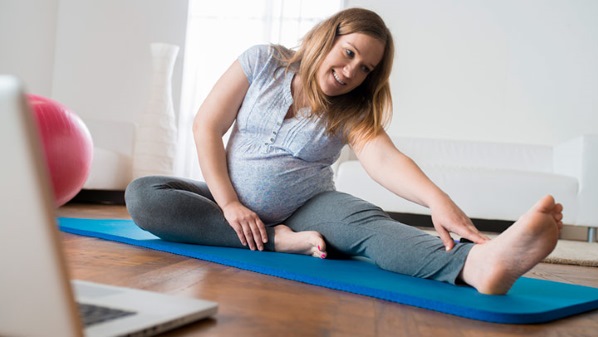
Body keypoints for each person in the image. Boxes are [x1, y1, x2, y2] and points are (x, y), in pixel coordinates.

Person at [125, 8, 563, 295]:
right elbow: (207, 125)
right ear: (327, 37)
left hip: (308, 206)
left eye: (365, 68)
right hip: (228, 201)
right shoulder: (263, 62)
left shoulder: (351, 109)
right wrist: (230, 203)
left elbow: (384, 159)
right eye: (349, 53)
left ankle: (480, 266)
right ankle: (278, 243)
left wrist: (437, 200)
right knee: (144, 195)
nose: (351, 71)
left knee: (371, 226)